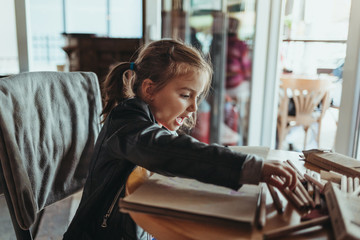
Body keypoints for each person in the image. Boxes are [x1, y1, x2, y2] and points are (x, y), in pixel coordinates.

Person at [63, 39, 297, 240]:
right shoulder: (128, 125)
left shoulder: (150, 124)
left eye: (197, 97)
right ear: (150, 90)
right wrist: (248, 167)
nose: (194, 107)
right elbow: (171, 152)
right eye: (186, 95)